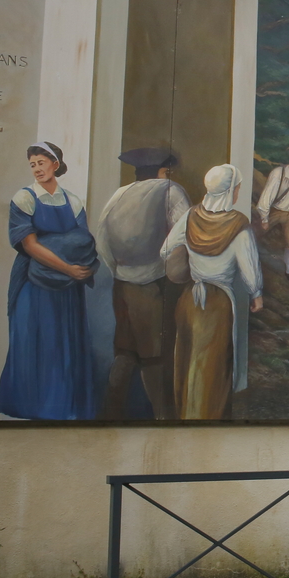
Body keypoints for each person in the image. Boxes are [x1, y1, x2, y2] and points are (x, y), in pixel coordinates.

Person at [0, 142, 100, 421]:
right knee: (37, 341)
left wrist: (77, 268)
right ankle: (33, 408)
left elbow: (83, 241)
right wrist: (67, 267)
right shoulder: (24, 198)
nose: (37, 169)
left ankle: (64, 408)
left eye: (41, 162)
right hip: (34, 282)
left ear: (55, 164)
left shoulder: (74, 201)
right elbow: (29, 245)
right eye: (32, 165)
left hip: (67, 288)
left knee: (64, 342)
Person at [159, 164, 262, 420]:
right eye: (236, 188)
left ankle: (187, 413)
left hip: (189, 298)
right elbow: (249, 266)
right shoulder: (238, 224)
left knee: (188, 359)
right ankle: (207, 418)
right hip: (218, 303)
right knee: (212, 365)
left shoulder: (191, 215)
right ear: (230, 191)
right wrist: (256, 293)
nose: (238, 191)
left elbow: (166, 249)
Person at [96, 146, 190, 419]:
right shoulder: (171, 190)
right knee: (155, 356)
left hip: (121, 285)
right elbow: (183, 236)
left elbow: (102, 242)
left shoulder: (118, 194)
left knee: (125, 352)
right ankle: (165, 419)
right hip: (156, 285)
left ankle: (109, 415)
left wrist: (119, 272)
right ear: (163, 171)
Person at [255, 148, 289, 275]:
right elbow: (267, 195)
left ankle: (287, 269)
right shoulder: (278, 173)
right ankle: (257, 264)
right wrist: (264, 218)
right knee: (258, 234)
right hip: (275, 211)